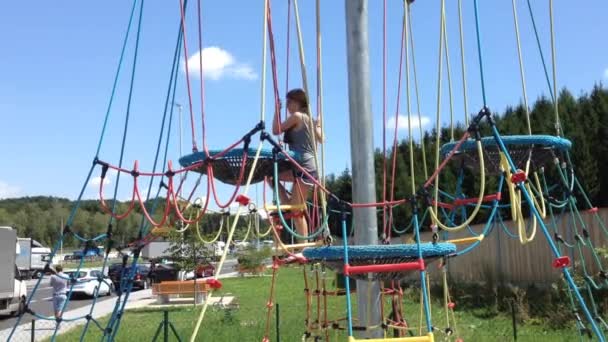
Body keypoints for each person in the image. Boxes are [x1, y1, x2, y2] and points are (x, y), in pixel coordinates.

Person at [270, 88, 323, 240]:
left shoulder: (298, 116)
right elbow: (322, 138)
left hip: (305, 168)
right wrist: (317, 125)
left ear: (299, 103)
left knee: (297, 210)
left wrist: (277, 111)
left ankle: (304, 245)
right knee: (272, 177)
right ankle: (289, 208)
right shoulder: (308, 119)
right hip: (302, 167)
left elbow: (276, 130)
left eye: (290, 102)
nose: (287, 105)